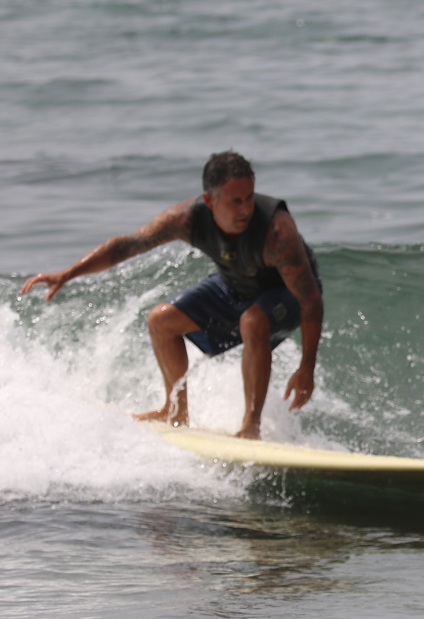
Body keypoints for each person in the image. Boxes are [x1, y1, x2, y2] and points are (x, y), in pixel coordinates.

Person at [21, 151, 322, 440]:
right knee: (161, 320)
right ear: (209, 200)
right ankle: (175, 411)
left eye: (249, 198)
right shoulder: (186, 219)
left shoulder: (277, 234)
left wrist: (306, 366)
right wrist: (67, 274)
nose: (245, 209)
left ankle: (251, 425)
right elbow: (126, 245)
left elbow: (310, 301)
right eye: (235, 202)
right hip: (237, 286)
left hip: (287, 294)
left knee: (253, 320)